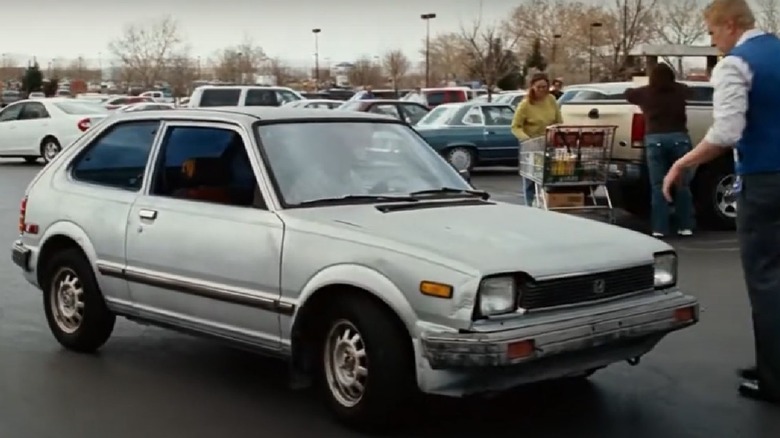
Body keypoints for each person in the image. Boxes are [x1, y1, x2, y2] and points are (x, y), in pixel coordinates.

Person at [663, 0, 780, 404]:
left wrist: (682, 163)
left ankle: (775, 379)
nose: (713, 43)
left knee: (767, 279)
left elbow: (728, 131)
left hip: (765, 180)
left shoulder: (736, 64)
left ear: (730, 25)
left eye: (712, 33)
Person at [625, 63, 695, 238]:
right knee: (682, 185)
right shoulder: (680, 90)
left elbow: (628, 94)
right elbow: (692, 92)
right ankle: (685, 226)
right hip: (680, 139)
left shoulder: (645, 93)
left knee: (657, 186)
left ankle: (660, 228)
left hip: (655, 139)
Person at [511, 73, 563, 206]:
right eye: (539, 87)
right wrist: (527, 140)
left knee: (547, 177)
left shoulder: (551, 99)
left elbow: (559, 121)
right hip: (531, 145)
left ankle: (546, 203)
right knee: (530, 178)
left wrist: (556, 131)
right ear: (532, 87)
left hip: (548, 144)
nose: (542, 90)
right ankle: (529, 204)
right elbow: (515, 127)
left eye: (545, 87)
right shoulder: (525, 105)